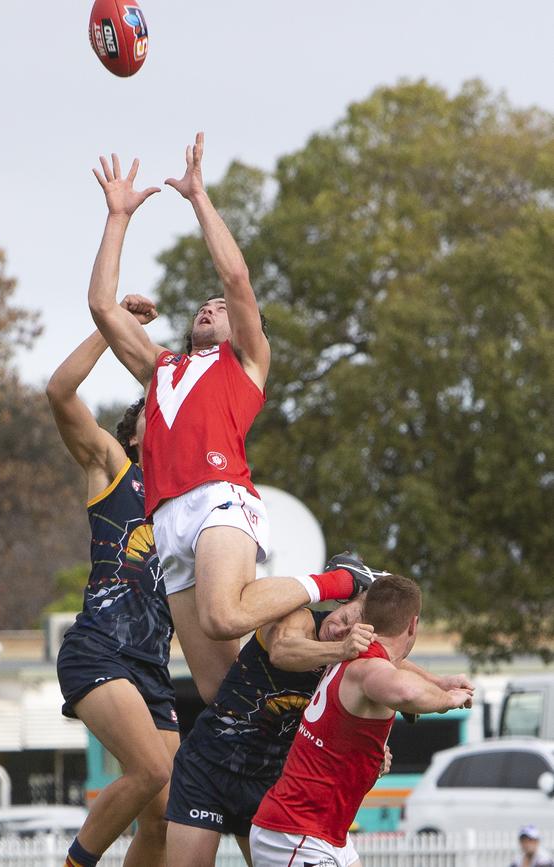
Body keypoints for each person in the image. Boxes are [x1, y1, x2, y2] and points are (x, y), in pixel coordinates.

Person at [87, 137, 377, 701]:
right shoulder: (160, 369)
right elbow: (102, 307)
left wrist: (199, 198)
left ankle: (343, 580)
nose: (209, 307)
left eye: (219, 309)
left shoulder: (245, 362)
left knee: (223, 617)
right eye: (205, 306)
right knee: (223, 694)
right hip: (166, 519)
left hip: (220, 497)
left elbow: (237, 280)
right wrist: (118, 218)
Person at [166, 584, 473, 867]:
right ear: (347, 601)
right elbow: (282, 652)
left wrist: (439, 682)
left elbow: (389, 663)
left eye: (354, 634)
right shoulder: (301, 621)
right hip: (212, 768)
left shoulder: (357, 654)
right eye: (345, 618)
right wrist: (343, 650)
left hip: (269, 779)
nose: (341, 631)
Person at [46, 322, 180, 867]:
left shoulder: (191, 507)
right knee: (149, 770)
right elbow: (60, 391)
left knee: (166, 822)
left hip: (154, 671)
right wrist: (111, 322)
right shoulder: (117, 470)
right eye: (158, 409)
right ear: (132, 434)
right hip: (100, 649)